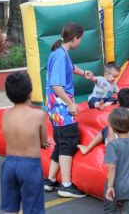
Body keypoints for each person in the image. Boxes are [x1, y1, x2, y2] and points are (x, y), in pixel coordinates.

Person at [43, 22, 92, 198]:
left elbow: (71, 68)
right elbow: (56, 85)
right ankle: (66, 185)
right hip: (61, 108)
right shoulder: (60, 56)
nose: (81, 42)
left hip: (55, 109)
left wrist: (84, 72)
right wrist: (70, 104)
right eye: (81, 39)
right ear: (75, 38)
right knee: (69, 142)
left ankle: (50, 181)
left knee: (61, 141)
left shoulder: (60, 52)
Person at [1, 72, 50, 214]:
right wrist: (43, 144)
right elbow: (44, 141)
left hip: (9, 164)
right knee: (33, 209)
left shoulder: (6, 114)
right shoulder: (38, 115)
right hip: (30, 166)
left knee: (10, 208)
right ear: (30, 93)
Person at [77, 88, 129, 155]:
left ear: (118, 103)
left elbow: (111, 137)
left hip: (116, 147)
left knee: (105, 130)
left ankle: (87, 148)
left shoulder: (115, 114)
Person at [104, 107, 129, 214]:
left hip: (115, 183)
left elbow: (111, 166)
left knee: (110, 210)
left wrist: (110, 186)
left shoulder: (113, 145)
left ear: (113, 128)